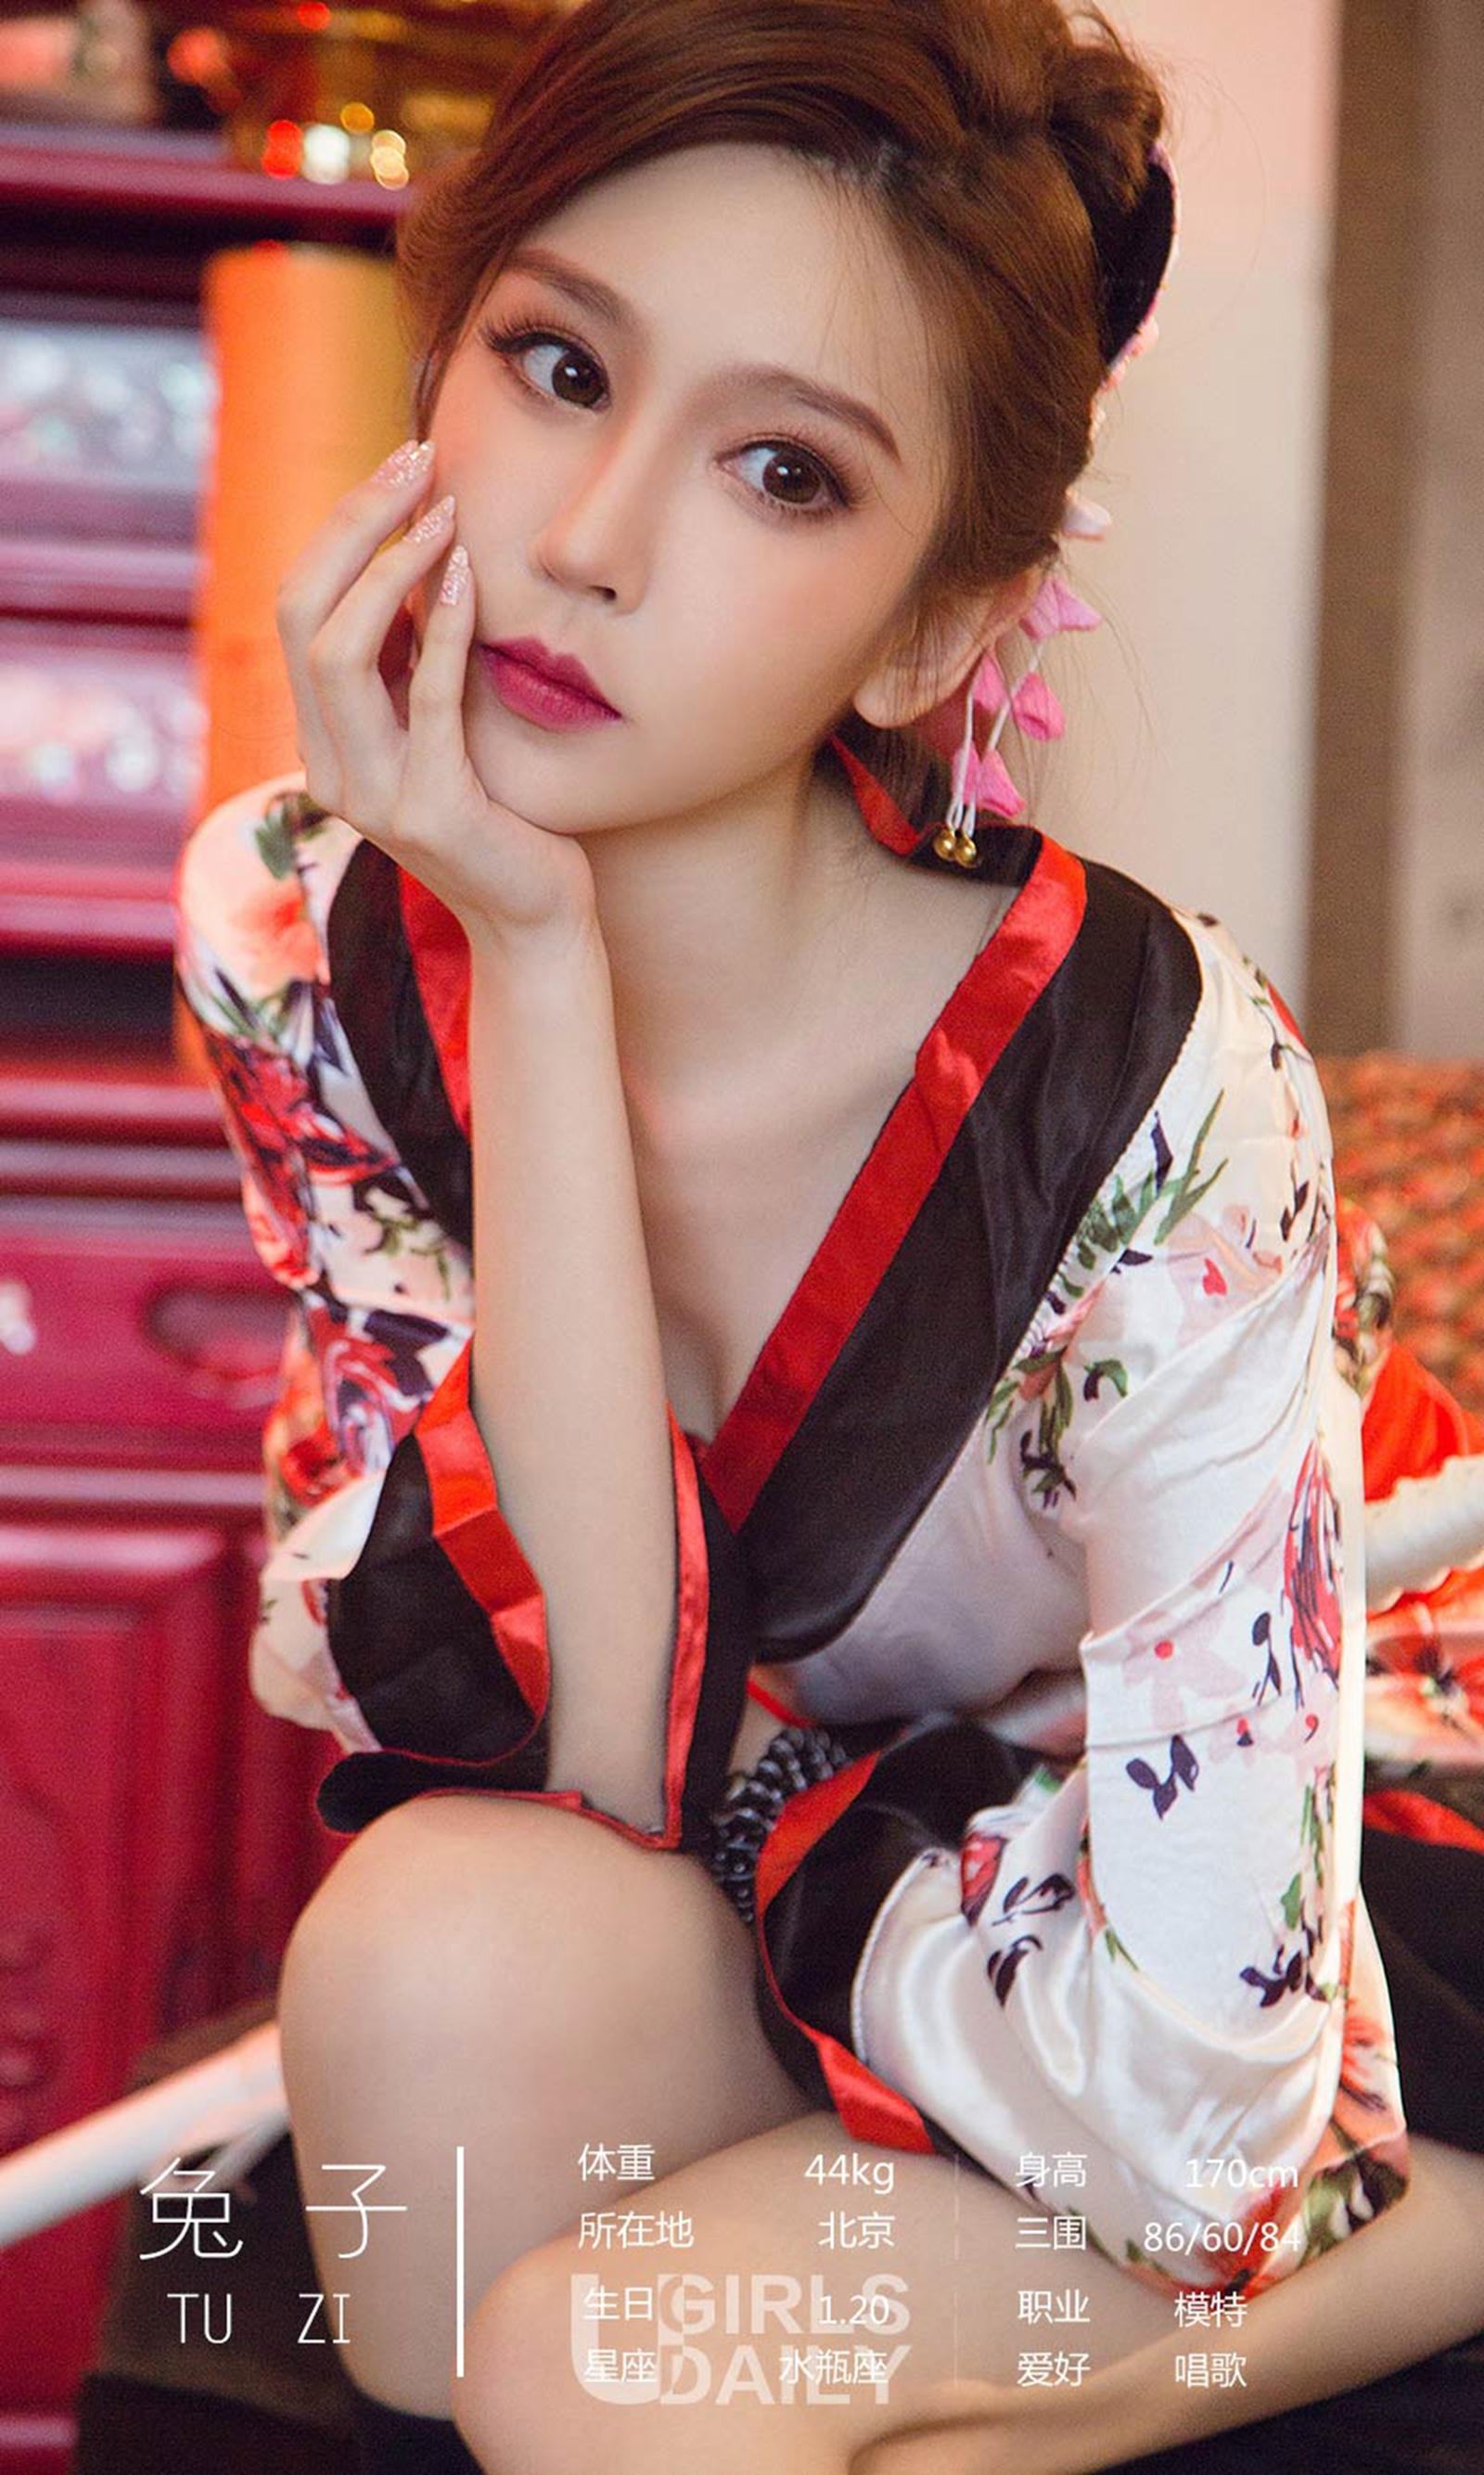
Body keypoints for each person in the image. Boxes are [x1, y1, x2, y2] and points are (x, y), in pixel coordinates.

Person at [170, 2, 1484, 2469]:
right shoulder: (299, 935)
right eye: (559, 364)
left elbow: (1207, 2106)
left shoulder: (1155, 1096)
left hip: (1312, 1903)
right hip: (862, 1864)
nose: (593, 534)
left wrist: (810, 1856)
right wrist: (532, 957)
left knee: (604, 2364)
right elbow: (577, 1752)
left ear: (929, 627)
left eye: (784, 470)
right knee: (426, 1986)